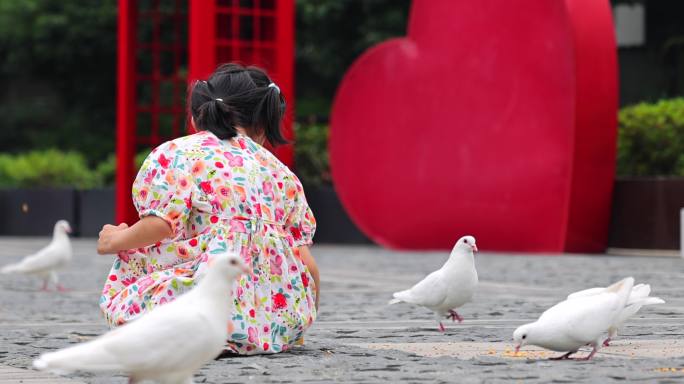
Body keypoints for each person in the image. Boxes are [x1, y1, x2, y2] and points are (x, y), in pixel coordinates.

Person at [96, 63, 319, 355]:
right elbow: (306, 261)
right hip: (273, 320)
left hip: (203, 303)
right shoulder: (282, 174)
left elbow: (160, 225)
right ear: (263, 124)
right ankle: (247, 333)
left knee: (137, 254)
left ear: (196, 116)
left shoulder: (179, 153)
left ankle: (196, 330)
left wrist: (114, 240)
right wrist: (301, 317)